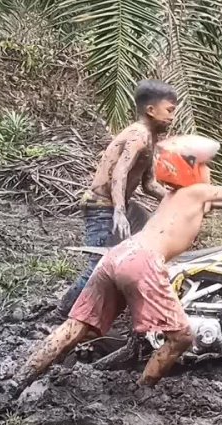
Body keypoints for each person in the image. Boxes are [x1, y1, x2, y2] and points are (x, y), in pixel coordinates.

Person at [13, 137, 222, 394]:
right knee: (181, 337)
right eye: (204, 165)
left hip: (118, 254)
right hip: (144, 260)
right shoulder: (197, 192)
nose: (208, 170)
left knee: (75, 327)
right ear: (192, 169)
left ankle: (19, 379)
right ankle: (144, 391)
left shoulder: (174, 195)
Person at [56, 80, 176, 318]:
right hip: (102, 206)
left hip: (119, 206)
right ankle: (63, 313)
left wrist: (179, 198)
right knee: (98, 267)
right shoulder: (139, 135)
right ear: (151, 110)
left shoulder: (151, 139)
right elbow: (119, 172)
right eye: (169, 110)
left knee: (140, 251)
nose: (173, 116)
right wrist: (119, 211)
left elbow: (149, 184)